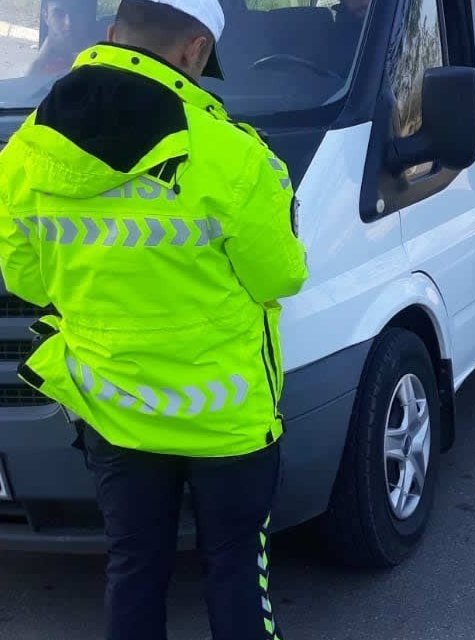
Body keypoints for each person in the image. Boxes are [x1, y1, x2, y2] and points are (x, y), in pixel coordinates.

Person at [0, 0, 308, 637]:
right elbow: (280, 278)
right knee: (235, 568)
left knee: (134, 566)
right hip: (225, 417)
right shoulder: (232, 154)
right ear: (196, 50)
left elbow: (26, 281)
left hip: (114, 410)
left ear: (114, 34)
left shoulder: (26, 148)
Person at [27, 0, 98, 76]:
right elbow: (27, 82)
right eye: (59, 14)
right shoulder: (44, 59)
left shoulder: (97, 55)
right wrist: (38, 61)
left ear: (85, 17)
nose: (68, 23)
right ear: (46, 16)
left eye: (75, 13)